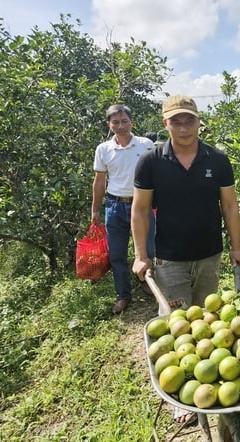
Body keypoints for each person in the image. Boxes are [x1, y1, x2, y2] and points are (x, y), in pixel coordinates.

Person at [131, 95, 240, 425]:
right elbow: (139, 211)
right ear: (165, 124)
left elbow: (230, 206)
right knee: (175, 325)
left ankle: (209, 383)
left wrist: (236, 247)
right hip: (170, 259)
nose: (183, 127)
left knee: (210, 323)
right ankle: (182, 398)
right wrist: (141, 255)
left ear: (199, 122)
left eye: (189, 120)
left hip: (210, 254)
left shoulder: (217, 159)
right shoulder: (151, 161)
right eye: (176, 121)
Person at [91, 104, 156, 314]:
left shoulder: (146, 145)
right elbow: (99, 181)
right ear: (109, 125)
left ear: (132, 122)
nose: (120, 126)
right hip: (115, 206)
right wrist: (95, 210)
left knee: (149, 249)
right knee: (117, 254)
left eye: (124, 121)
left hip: (143, 204)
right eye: (115, 122)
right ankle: (123, 295)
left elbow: (159, 174)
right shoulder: (103, 149)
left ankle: (146, 282)